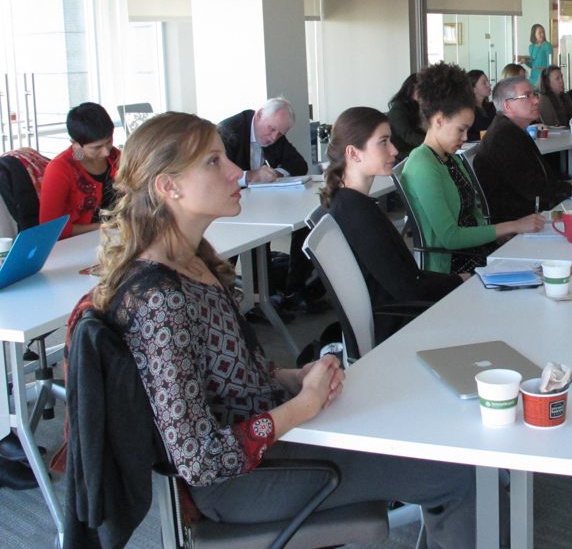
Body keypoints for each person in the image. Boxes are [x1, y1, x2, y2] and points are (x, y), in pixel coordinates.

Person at [85, 111, 475, 547]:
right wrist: (302, 406)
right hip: (241, 480)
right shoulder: (161, 299)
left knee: (432, 435)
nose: (235, 169)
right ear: (168, 186)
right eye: (213, 162)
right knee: (454, 470)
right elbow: (200, 459)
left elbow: (228, 375)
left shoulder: (196, 261)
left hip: (272, 440)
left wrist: (291, 377)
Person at [319, 107, 463, 342]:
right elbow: (406, 288)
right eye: (383, 142)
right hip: (400, 328)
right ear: (354, 154)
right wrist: (460, 281)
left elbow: (405, 279)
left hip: (400, 317)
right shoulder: (357, 213)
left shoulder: (350, 203)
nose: (395, 150)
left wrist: (460, 280)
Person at [400, 63, 544, 274]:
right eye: (461, 129)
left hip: (475, 252)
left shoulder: (448, 158)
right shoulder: (423, 164)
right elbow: (450, 238)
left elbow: (472, 216)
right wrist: (512, 226)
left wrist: (500, 233)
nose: (466, 138)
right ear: (439, 121)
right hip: (455, 267)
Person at [217, 98, 315, 313]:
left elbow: (299, 164)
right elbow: (215, 176)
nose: (273, 138)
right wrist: (250, 176)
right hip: (225, 209)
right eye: (271, 130)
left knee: (307, 220)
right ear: (259, 115)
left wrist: (276, 173)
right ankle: (236, 297)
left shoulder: (274, 133)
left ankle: (290, 290)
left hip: (254, 204)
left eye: (280, 134)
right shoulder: (228, 131)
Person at [474, 77, 572, 222]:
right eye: (527, 96)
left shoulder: (512, 129)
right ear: (507, 106)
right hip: (519, 220)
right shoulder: (503, 136)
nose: (536, 100)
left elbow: (537, 175)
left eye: (535, 94)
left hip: (533, 212)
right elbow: (533, 188)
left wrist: (570, 182)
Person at [39, 102, 120, 239]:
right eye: (97, 147)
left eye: (109, 141)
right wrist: (104, 226)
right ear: (75, 143)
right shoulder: (60, 169)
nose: (106, 152)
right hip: (78, 244)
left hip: (115, 236)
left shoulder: (114, 156)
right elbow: (49, 229)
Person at [387, 74, 424, 159]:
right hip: (401, 152)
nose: (423, 93)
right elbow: (408, 135)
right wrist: (432, 142)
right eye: (420, 89)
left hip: (415, 148)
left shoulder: (417, 106)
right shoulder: (398, 109)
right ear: (410, 88)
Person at [466, 69, 496, 141]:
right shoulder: (467, 111)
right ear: (473, 89)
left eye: (488, 81)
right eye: (484, 83)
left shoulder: (492, 107)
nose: (489, 84)